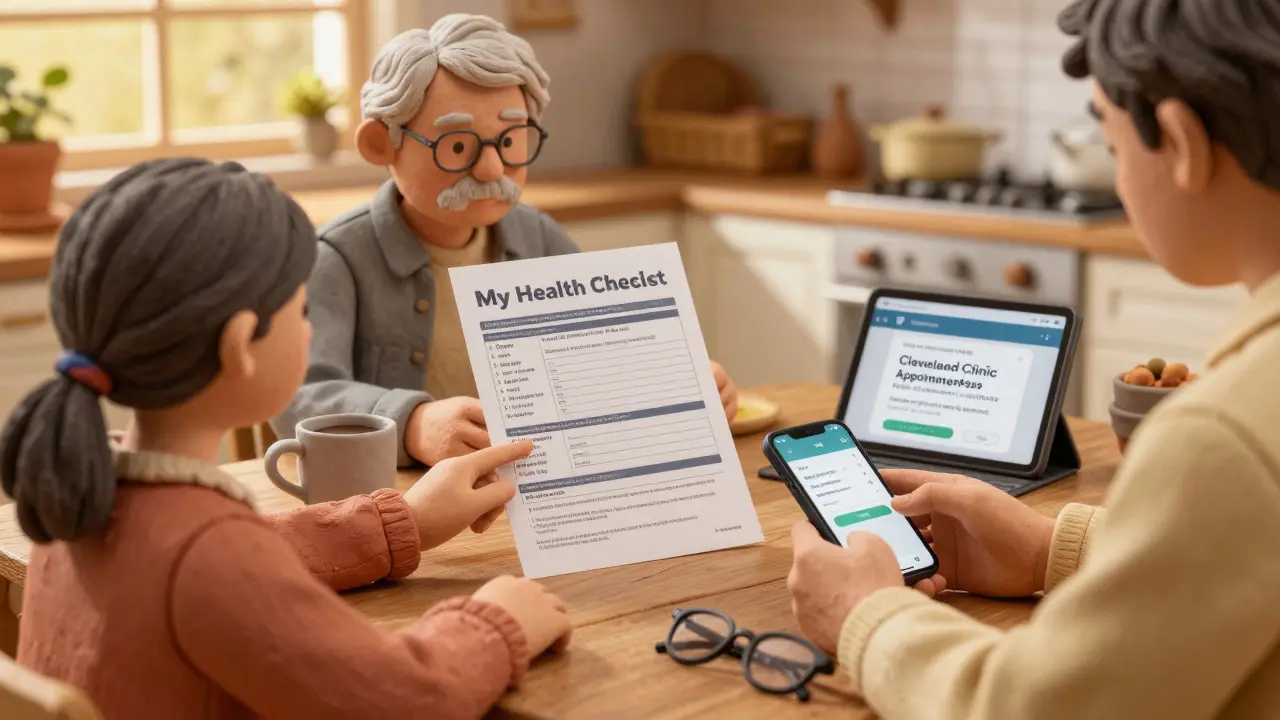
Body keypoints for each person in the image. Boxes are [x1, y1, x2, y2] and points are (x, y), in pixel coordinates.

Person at [785, 2, 1280, 717]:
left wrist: (867, 615)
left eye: (1112, 144)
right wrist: (1057, 548)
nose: (1115, 179)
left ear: (1179, 142)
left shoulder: (1221, 439)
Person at [0, 158, 571, 719]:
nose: (308, 328)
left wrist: (406, 522)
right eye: (302, 310)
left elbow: (242, 554)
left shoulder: (79, 486)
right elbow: (404, 700)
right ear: (243, 345)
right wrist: (496, 624)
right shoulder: (209, 554)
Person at [273, 14, 739, 469]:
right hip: (403, 509)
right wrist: (412, 423)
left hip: (532, 491)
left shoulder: (539, 237)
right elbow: (297, 395)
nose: (492, 170)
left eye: (511, 140)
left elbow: (600, 354)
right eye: (458, 146)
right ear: (382, 144)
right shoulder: (335, 258)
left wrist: (676, 385)